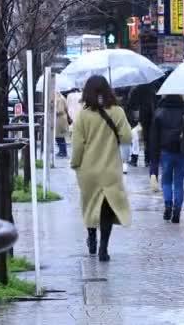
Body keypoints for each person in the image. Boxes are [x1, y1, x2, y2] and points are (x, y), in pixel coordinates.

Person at [71, 75, 132, 262]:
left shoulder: (83, 114)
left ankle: (91, 236)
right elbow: (127, 138)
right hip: (110, 170)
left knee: (90, 206)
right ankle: (103, 248)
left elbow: (77, 145)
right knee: (106, 210)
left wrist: (75, 163)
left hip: (88, 170)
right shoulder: (118, 112)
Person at [150, 94, 184, 223]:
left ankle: (168, 205)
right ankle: (177, 210)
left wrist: (154, 155)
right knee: (179, 182)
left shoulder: (159, 112)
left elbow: (154, 137)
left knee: (166, 180)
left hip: (166, 151)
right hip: (182, 151)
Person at [55, 92, 70, 158]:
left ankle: (63, 151)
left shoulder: (59, 99)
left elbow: (60, 110)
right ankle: (62, 151)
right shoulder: (61, 98)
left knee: (59, 137)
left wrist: (53, 111)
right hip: (60, 119)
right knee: (59, 137)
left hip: (60, 120)